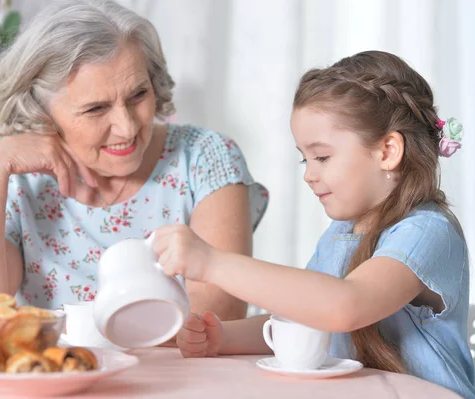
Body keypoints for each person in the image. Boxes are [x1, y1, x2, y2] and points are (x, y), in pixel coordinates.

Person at [154, 50, 474, 397]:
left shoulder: (426, 232)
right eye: (304, 158)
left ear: (387, 152)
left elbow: (344, 306)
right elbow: (309, 316)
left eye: (322, 156)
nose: (308, 174)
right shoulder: (340, 235)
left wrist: (211, 262)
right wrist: (224, 337)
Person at [0, 0, 268, 327]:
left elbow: (215, 318)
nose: (127, 127)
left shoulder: (205, 156)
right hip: (55, 378)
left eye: (138, 95)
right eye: (96, 109)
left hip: (181, 378)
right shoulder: (21, 181)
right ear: (39, 112)